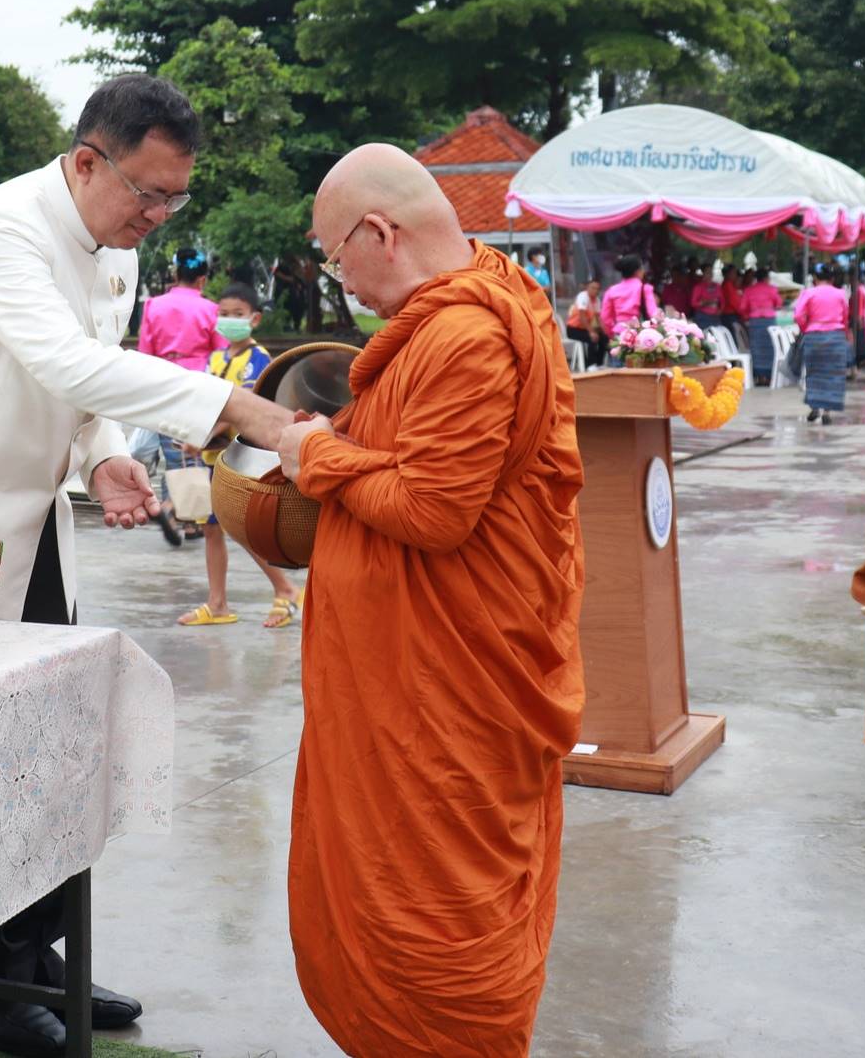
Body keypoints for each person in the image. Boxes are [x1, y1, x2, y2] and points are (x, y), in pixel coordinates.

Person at [0, 74, 294, 1055]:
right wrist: (236, 409)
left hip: (40, 525)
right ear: (87, 161)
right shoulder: (2, 230)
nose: (157, 217)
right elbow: (63, 360)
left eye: (174, 198)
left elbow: (87, 392)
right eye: (146, 195)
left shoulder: (112, 248)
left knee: (54, 751)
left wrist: (110, 454)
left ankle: (35, 953)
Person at [277, 143, 583, 1057]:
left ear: (380, 233)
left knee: (439, 912)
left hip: (448, 694)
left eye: (337, 258)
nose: (342, 284)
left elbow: (431, 509)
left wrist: (317, 457)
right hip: (410, 674)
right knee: (398, 890)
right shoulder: (492, 289)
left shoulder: (467, 333)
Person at [178, 282, 304, 629]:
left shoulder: (257, 359)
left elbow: (242, 412)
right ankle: (221, 601)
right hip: (212, 459)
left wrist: (201, 436)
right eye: (224, 314)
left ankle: (282, 588)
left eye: (238, 314)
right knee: (214, 530)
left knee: (239, 529)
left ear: (255, 318)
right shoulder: (216, 358)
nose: (229, 320)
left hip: (241, 461)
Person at [140, 248, 226, 539]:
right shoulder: (211, 309)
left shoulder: (153, 305)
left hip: (164, 384)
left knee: (173, 453)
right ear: (202, 279)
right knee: (196, 453)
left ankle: (182, 516)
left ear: (176, 274)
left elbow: (145, 353)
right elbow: (221, 352)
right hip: (200, 385)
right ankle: (178, 511)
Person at [793, 265, 850, 424]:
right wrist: (843, 332)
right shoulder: (840, 294)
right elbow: (846, 317)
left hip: (814, 338)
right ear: (832, 279)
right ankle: (827, 412)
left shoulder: (808, 293)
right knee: (833, 375)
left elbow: (798, 315)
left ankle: (815, 408)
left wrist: (806, 328)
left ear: (815, 279)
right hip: (836, 338)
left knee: (814, 374)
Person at [597, 254, 659, 362]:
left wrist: (613, 333)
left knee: (618, 374)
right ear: (638, 271)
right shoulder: (644, 288)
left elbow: (605, 318)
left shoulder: (612, 290)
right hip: (641, 336)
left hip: (619, 336)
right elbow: (653, 314)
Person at [740, 268, 784, 387]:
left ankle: (759, 377)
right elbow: (779, 304)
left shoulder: (749, 290)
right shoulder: (772, 289)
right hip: (769, 321)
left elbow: (743, 307)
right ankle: (769, 376)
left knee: (756, 349)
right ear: (766, 278)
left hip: (755, 322)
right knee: (770, 348)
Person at [566, 277, 606, 369]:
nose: (595, 290)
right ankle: (590, 365)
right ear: (587, 288)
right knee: (592, 337)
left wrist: (604, 331)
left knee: (603, 338)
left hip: (584, 329)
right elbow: (582, 317)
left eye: (597, 289)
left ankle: (599, 363)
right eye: (593, 288)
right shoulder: (583, 296)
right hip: (573, 329)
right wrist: (591, 332)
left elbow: (598, 318)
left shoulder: (597, 301)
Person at [691, 263, 726, 332]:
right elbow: (693, 303)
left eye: (711, 272)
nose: (710, 274)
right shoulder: (699, 287)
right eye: (707, 272)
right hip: (703, 317)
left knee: (718, 337)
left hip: (715, 317)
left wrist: (721, 310)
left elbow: (722, 300)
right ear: (703, 273)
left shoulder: (717, 286)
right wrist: (705, 302)